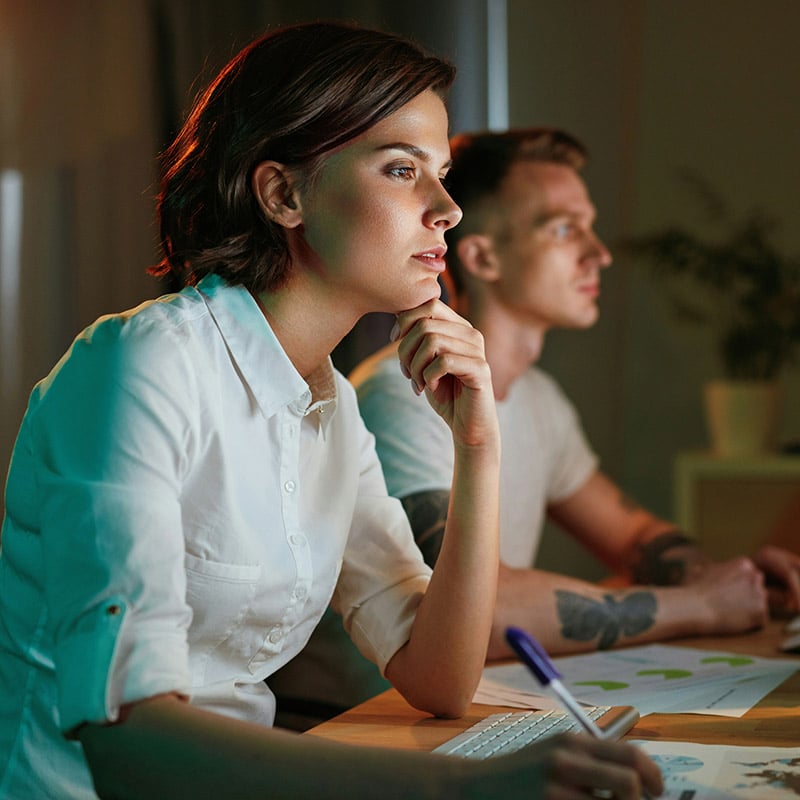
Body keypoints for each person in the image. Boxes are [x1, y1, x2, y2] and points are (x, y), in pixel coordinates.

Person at [0, 26, 663, 800]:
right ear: (284, 194)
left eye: (443, 174)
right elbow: (126, 746)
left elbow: (439, 676)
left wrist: (477, 445)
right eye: (402, 169)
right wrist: (457, 791)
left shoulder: (332, 405)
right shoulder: (141, 365)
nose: (447, 209)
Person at [272, 126, 800, 717]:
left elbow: (630, 536)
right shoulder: (405, 396)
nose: (599, 253)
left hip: (471, 706)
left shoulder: (540, 399)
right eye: (565, 228)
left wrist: (733, 579)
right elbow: (480, 608)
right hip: (371, 724)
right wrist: (699, 605)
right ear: (482, 256)